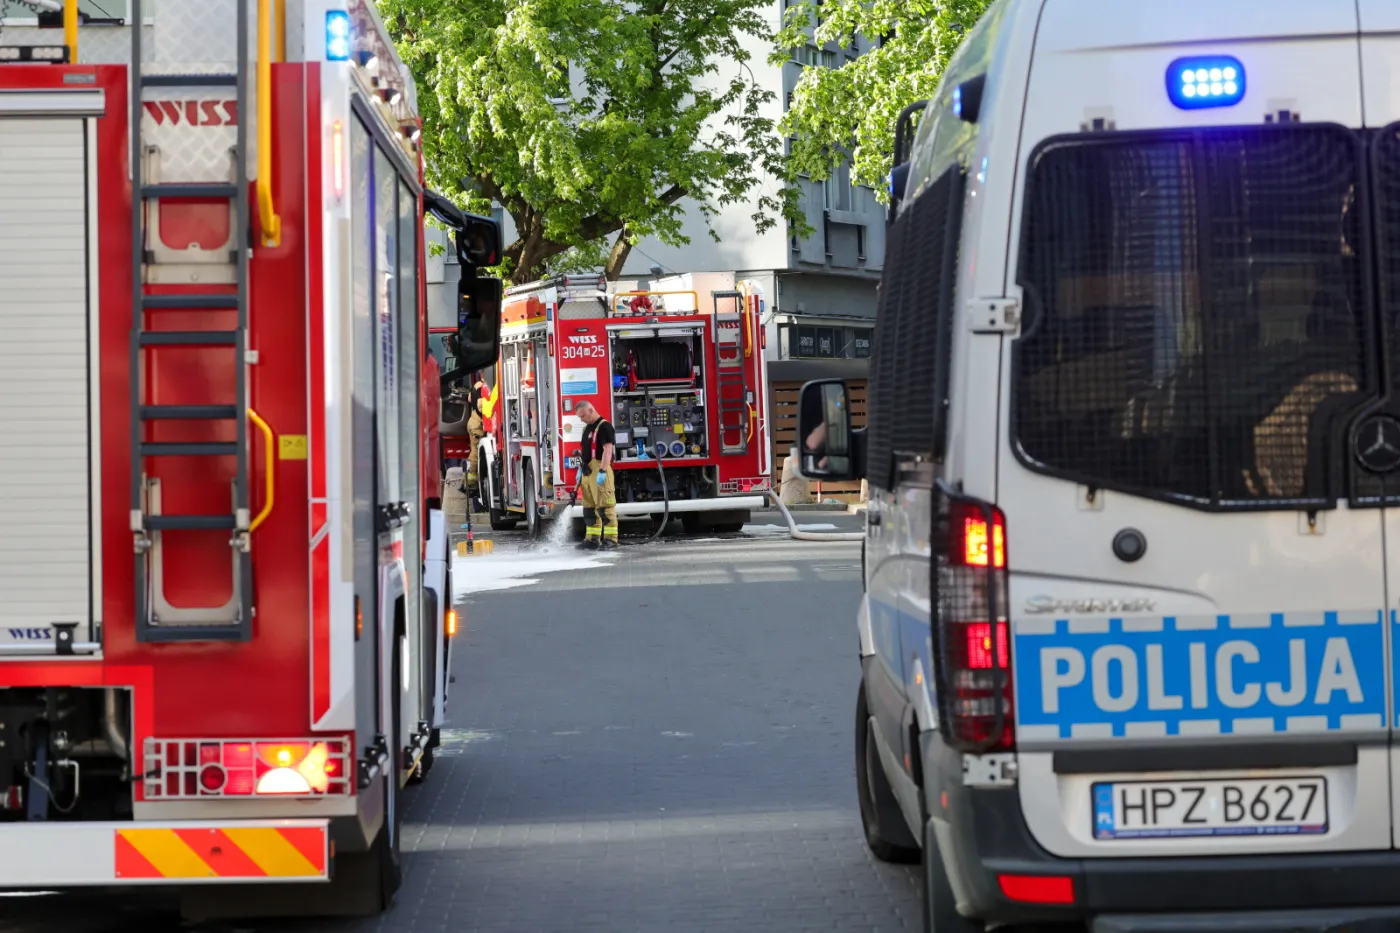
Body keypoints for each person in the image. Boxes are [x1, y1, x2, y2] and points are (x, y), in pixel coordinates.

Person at [575, 400, 618, 549]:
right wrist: (580, 470)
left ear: (591, 410)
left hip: (600, 470)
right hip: (587, 472)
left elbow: (608, 450)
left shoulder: (605, 427)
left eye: (583, 416)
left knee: (605, 508)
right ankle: (592, 539)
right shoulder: (587, 428)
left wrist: (603, 470)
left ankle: (611, 540)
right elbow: (585, 451)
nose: (581, 419)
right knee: (589, 509)